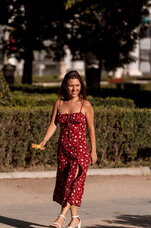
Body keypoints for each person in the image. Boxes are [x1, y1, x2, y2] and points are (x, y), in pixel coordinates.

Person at [39, 70, 97, 228]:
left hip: (80, 152)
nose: (74, 89)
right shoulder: (59, 104)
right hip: (63, 151)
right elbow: (53, 124)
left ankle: (61, 218)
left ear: (81, 86)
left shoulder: (86, 105)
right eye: (71, 86)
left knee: (74, 184)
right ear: (65, 86)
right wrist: (44, 140)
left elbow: (91, 129)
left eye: (77, 85)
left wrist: (94, 150)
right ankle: (76, 219)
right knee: (67, 184)